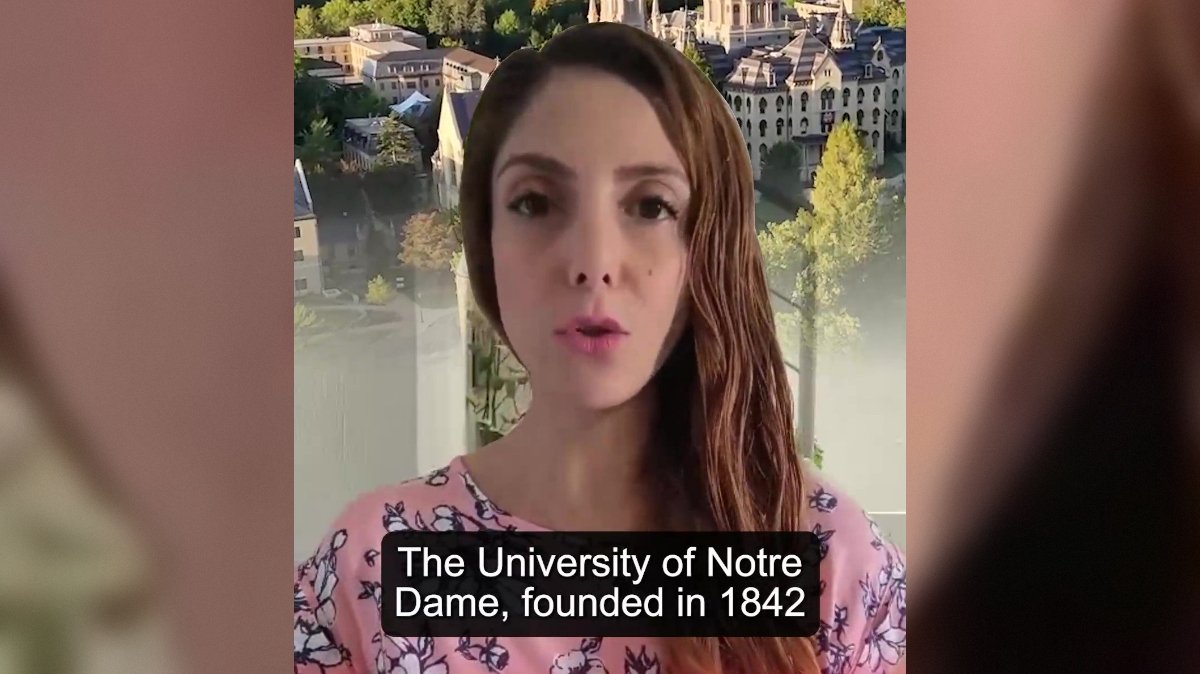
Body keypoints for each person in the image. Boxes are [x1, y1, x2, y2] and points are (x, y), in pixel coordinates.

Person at [294, 22, 905, 674]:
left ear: (707, 248)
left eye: (649, 206)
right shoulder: (369, 571)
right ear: (485, 243)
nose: (593, 262)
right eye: (535, 202)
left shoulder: (832, 567)